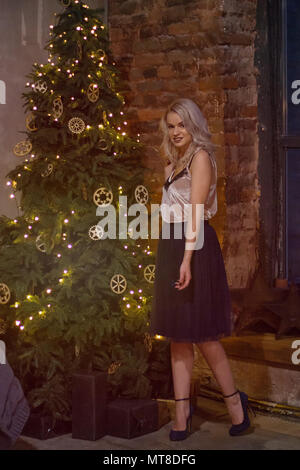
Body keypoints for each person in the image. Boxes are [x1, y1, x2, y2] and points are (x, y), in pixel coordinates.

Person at [149, 98, 255, 441]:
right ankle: (181, 412)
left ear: (193, 125)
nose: (176, 131)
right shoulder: (171, 163)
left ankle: (236, 405)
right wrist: (170, 253)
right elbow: (170, 212)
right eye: (171, 125)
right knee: (177, 336)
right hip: (172, 245)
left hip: (196, 249)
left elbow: (195, 212)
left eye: (182, 124)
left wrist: (186, 260)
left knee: (205, 337)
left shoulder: (201, 158)